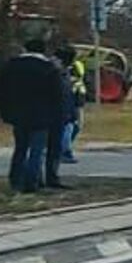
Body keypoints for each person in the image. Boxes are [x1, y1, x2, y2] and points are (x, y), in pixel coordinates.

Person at [0, 36, 67, 194]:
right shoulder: (48, 68)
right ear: (43, 50)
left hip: (18, 114)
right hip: (41, 115)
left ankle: (15, 179)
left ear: (25, 49)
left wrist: (5, 112)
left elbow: (1, 90)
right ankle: (31, 182)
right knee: (36, 149)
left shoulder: (11, 66)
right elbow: (57, 95)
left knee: (20, 148)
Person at [43, 41, 77, 191]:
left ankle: (51, 176)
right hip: (53, 115)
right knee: (47, 149)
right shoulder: (54, 72)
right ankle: (48, 178)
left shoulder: (61, 71)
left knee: (53, 149)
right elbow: (61, 95)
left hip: (60, 114)